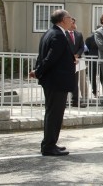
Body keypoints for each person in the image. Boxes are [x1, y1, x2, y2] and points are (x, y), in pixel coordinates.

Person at [30, 9, 75, 156]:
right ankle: (49, 146)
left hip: (52, 80)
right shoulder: (58, 35)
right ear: (62, 20)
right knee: (54, 114)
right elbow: (50, 58)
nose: (71, 20)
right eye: (69, 17)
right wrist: (38, 72)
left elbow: (43, 56)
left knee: (53, 113)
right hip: (56, 81)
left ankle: (50, 143)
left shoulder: (50, 33)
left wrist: (38, 70)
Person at [68, 17, 87, 108]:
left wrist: (77, 55)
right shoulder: (63, 34)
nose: (73, 24)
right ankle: (63, 101)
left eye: (74, 22)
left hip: (77, 61)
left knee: (75, 81)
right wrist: (71, 56)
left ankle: (75, 101)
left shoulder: (78, 34)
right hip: (67, 60)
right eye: (72, 22)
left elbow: (82, 47)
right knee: (64, 81)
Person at [84, 31, 100, 98]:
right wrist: (88, 56)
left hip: (98, 59)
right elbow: (86, 50)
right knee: (93, 76)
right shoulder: (89, 39)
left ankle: (101, 91)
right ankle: (95, 91)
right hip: (93, 59)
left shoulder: (101, 39)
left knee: (101, 76)